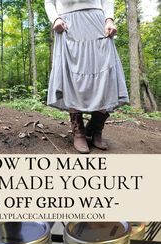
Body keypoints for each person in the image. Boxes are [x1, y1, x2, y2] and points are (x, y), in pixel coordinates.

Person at [44, 0, 129, 153]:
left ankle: (96, 128)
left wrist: (109, 19)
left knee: (105, 75)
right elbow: (49, 1)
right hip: (67, 25)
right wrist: (55, 18)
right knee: (72, 78)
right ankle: (79, 132)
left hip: (97, 23)